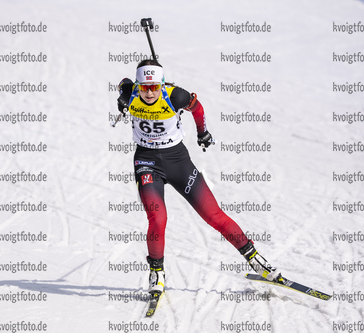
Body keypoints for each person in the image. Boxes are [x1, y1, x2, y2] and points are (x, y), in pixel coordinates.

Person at [116, 59, 281, 296]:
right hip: (146, 162)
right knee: (158, 217)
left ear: (161, 85)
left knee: (214, 215)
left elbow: (198, 108)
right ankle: (157, 273)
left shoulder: (176, 96)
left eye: (154, 87)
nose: (149, 92)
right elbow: (123, 84)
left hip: (177, 161)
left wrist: (203, 133)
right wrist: (121, 99)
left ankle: (256, 260)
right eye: (144, 87)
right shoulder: (131, 93)